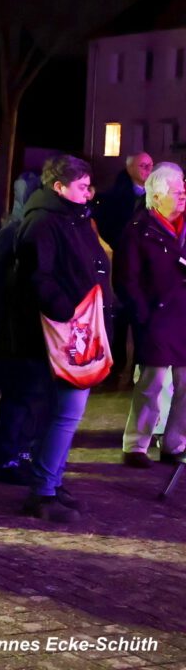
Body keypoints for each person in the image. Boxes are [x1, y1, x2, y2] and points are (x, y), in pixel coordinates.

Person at [0, 155, 114, 523]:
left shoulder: (71, 217)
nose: (87, 191)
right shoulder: (44, 222)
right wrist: (69, 311)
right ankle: (44, 489)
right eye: (81, 186)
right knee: (64, 413)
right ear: (59, 187)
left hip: (78, 330)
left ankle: (51, 481)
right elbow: (37, 277)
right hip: (61, 334)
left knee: (65, 413)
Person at [115, 162, 186, 467]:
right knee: (152, 382)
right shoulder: (138, 230)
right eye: (176, 190)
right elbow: (126, 279)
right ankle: (136, 445)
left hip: (183, 316)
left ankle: (175, 443)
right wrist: (143, 313)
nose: (183, 194)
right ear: (157, 196)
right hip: (156, 318)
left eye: (183, 188)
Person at [0, 172, 45, 485]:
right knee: (17, 394)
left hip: (25, 324)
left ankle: (19, 452)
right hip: (13, 326)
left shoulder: (26, 230)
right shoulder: (12, 234)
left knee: (30, 394)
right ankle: (7, 457)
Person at [94, 152, 154, 382]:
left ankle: (138, 367)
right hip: (123, 264)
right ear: (129, 168)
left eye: (150, 165)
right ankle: (115, 367)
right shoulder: (116, 196)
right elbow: (106, 225)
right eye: (142, 165)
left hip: (145, 269)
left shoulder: (154, 196)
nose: (147, 169)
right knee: (119, 318)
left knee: (141, 320)